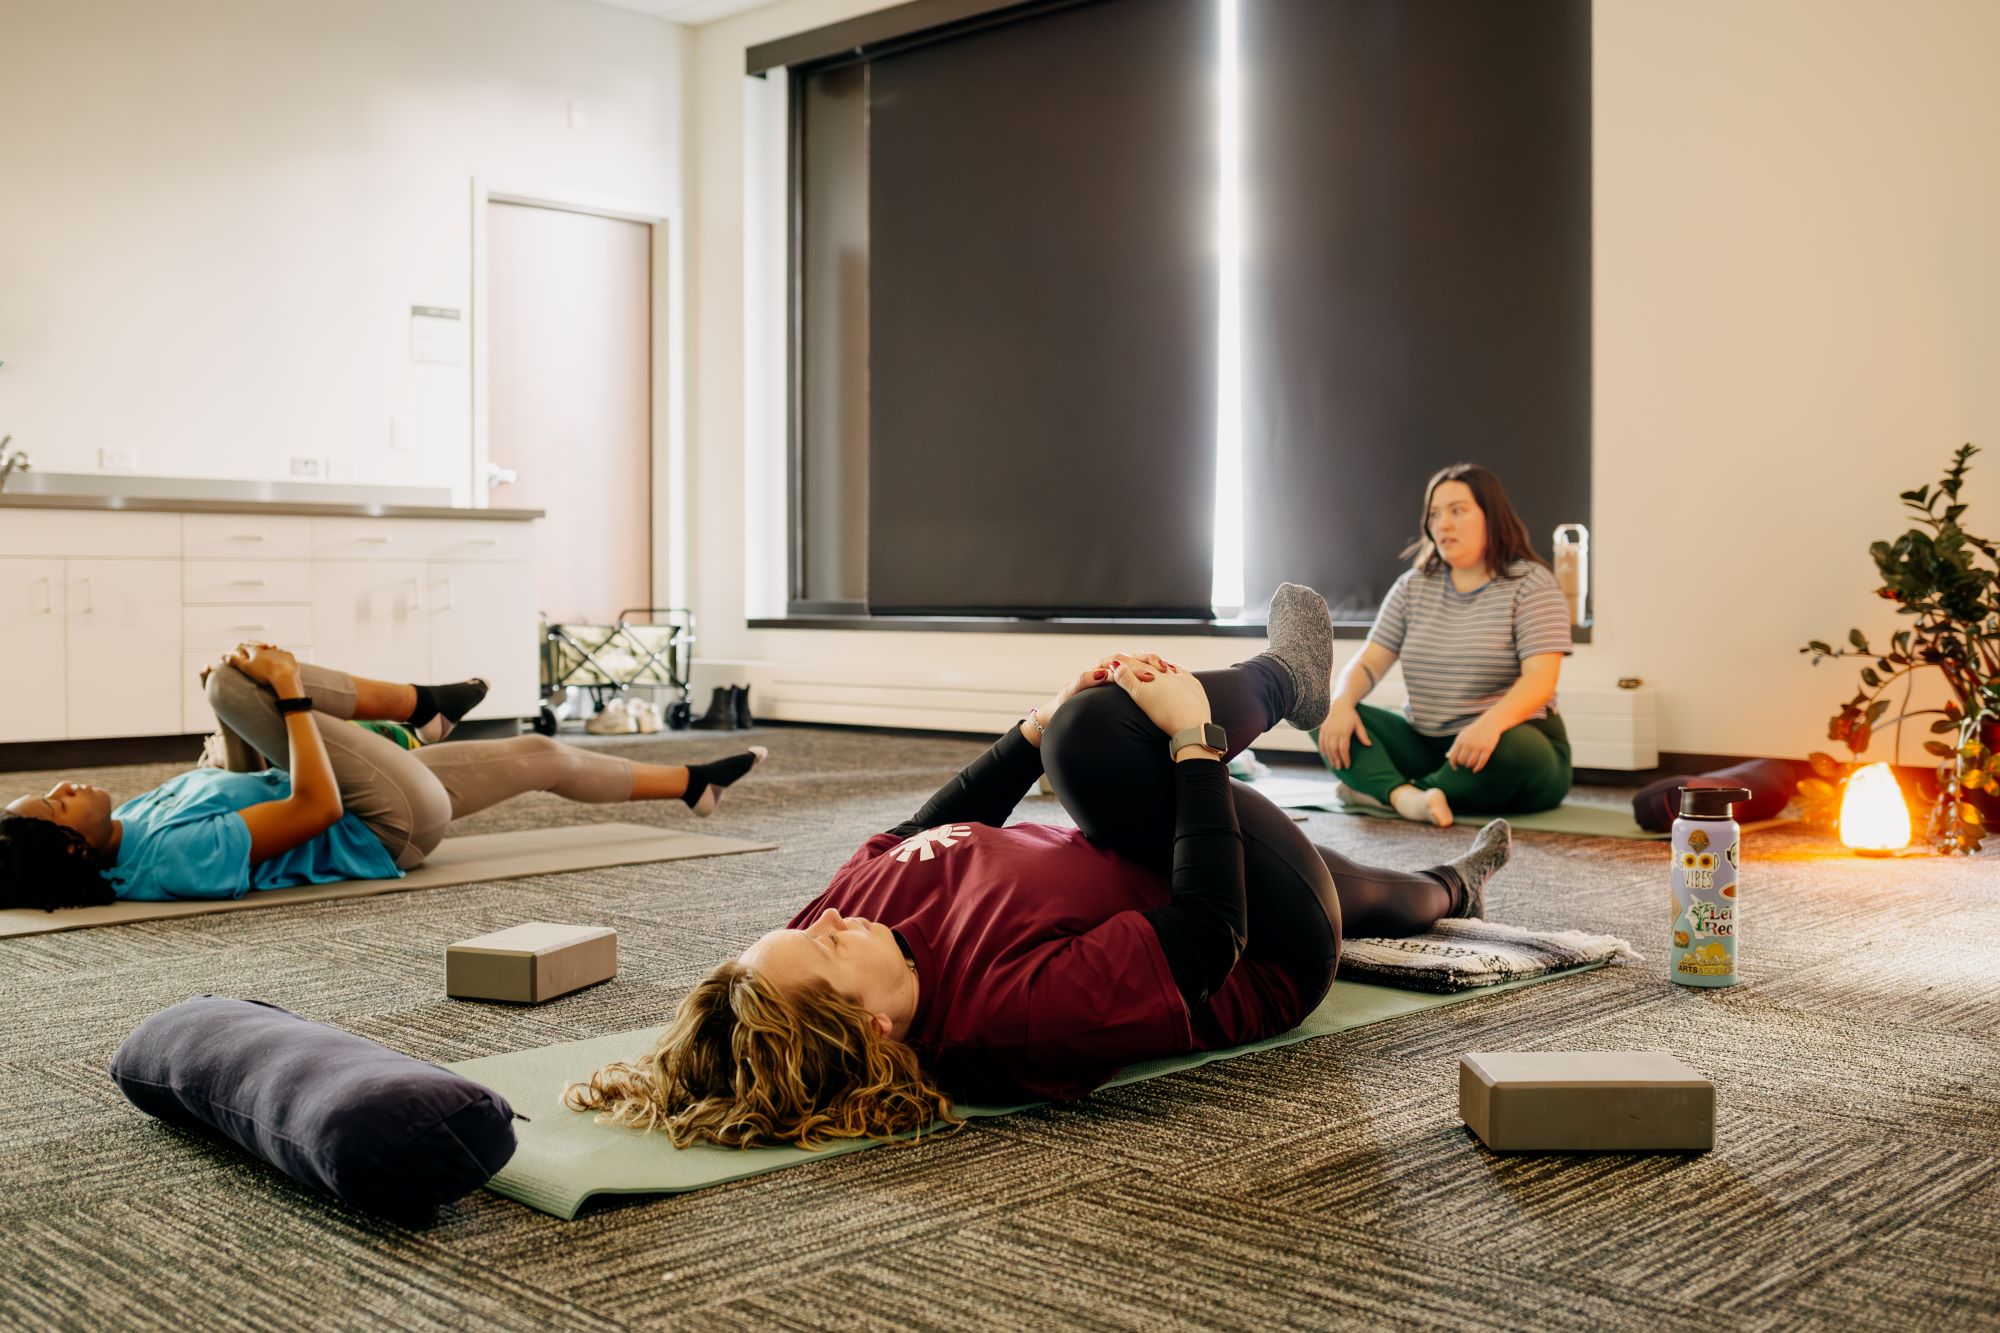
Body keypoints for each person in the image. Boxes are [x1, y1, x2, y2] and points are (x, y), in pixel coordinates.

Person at [564, 585, 1516, 1150]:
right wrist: (1194, 741)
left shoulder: (853, 930)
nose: (830, 918)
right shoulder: (1007, 1022)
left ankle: (1453, 887)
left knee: (1080, 730)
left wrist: (1026, 728)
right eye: (823, 947)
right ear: (874, 1023)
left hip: (1137, 860)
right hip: (1259, 941)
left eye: (810, 927)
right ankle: (1286, 682)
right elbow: (1205, 936)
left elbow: (920, 834)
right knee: (1101, 738)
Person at [0, 644, 765, 910]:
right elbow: (312, 801)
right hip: (384, 822)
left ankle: (693, 783)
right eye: (57, 805)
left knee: (540, 754)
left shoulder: (137, 818)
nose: (67, 786)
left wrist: (240, 722)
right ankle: (416, 711)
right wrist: (287, 692)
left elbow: (238, 781)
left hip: (378, 794)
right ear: (72, 851)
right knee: (237, 685)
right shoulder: (165, 862)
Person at [1315, 463, 1575, 827]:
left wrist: (1490, 724)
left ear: (1492, 517)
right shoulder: (1413, 586)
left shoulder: (1533, 584)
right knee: (1320, 711)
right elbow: (1368, 662)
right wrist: (1341, 701)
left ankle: (1381, 791)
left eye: (1457, 511)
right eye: (1434, 514)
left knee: (1517, 752)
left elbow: (1540, 680)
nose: (1443, 524)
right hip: (1428, 744)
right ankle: (1409, 799)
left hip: (1508, 744)